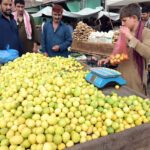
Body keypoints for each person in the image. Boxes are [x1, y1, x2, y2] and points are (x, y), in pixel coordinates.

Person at [98, 3, 150, 95]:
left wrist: (130, 37)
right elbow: (120, 54)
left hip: (136, 81)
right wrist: (109, 60)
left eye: (124, 20)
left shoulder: (146, 33)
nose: (122, 24)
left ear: (134, 18)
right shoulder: (124, 34)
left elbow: (147, 53)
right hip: (121, 77)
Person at [0, 0, 24, 65]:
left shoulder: (13, 20)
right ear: (0, 5)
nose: (8, 7)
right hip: (2, 62)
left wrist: (22, 55)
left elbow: (17, 38)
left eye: (10, 5)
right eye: (5, 4)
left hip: (15, 60)